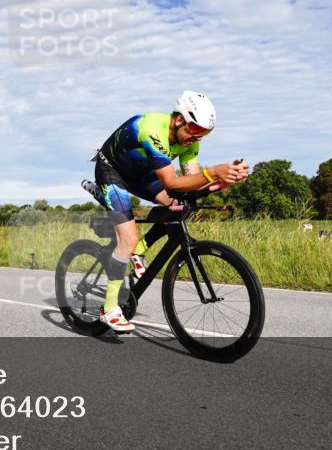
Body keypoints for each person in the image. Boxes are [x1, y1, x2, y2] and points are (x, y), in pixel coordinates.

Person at [89, 91, 250, 332]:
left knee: (178, 205)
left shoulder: (190, 141)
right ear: (178, 120)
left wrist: (225, 180)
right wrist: (214, 172)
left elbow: (193, 182)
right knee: (128, 237)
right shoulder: (152, 129)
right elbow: (172, 183)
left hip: (141, 174)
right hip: (113, 172)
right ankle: (109, 308)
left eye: (204, 134)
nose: (197, 138)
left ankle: (139, 251)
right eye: (195, 130)